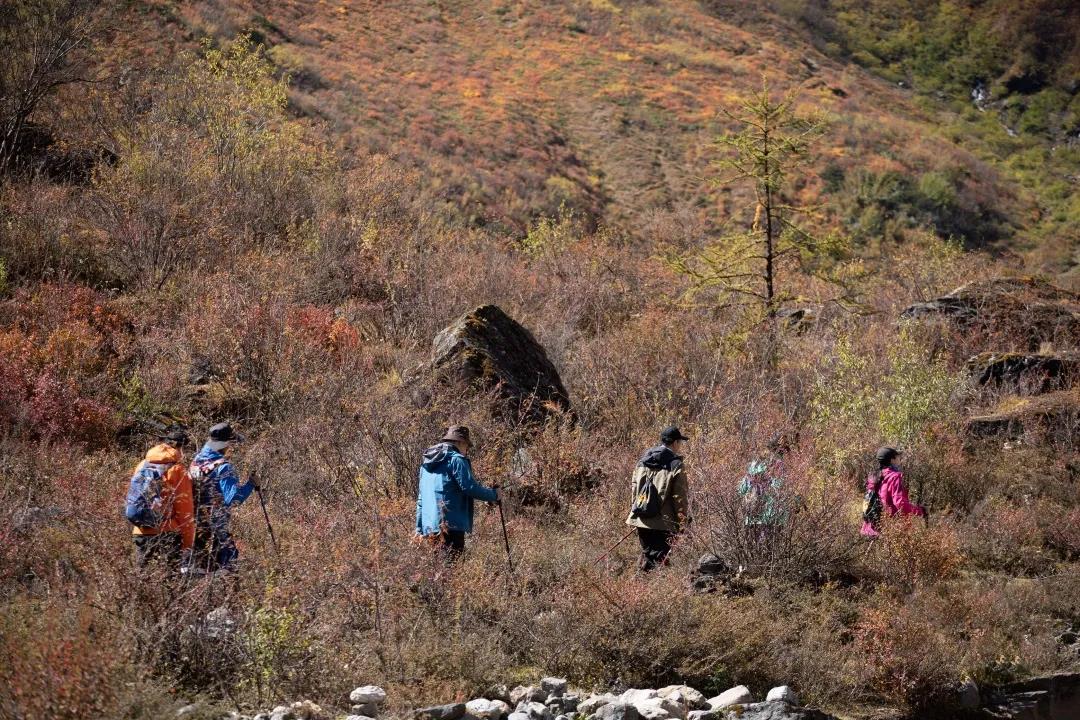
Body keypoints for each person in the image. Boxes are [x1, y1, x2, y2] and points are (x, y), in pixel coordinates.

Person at [415, 425, 499, 558]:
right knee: (451, 569)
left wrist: (419, 529)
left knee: (439, 570)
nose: (466, 450)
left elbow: (421, 500)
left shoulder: (426, 463)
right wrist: (494, 495)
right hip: (451, 525)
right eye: (467, 446)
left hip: (430, 527)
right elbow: (469, 488)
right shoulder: (456, 459)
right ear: (460, 442)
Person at [190, 422, 258, 572]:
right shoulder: (224, 466)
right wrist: (251, 484)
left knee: (200, 569)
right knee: (228, 565)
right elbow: (233, 499)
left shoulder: (196, 461)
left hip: (194, 525)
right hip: (216, 527)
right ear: (225, 444)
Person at [128, 427, 196, 571]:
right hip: (167, 534)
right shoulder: (177, 469)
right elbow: (185, 511)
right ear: (180, 447)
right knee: (171, 584)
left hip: (141, 531)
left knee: (142, 580)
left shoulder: (143, 464)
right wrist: (187, 545)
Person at [625, 425, 690, 571]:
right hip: (663, 523)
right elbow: (679, 498)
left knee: (648, 557)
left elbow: (634, 489)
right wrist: (682, 523)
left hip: (640, 518)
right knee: (658, 563)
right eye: (680, 442)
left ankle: (638, 587)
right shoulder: (676, 464)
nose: (680, 446)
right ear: (674, 443)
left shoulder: (642, 460)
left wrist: (637, 512)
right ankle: (647, 590)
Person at [861, 446, 926, 538]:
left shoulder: (874, 476)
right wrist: (919, 511)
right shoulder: (894, 477)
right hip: (890, 528)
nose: (899, 459)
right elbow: (900, 503)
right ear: (892, 460)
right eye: (897, 457)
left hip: (871, 527)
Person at [737, 434, 790, 533]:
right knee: (769, 548)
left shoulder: (754, 464)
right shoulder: (779, 464)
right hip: (772, 518)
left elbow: (741, 490)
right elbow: (778, 488)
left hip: (751, 516)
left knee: (751, 548)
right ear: (782, 450)